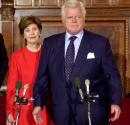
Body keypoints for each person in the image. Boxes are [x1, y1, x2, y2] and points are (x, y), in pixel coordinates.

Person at [33, 0, 122, 125]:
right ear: (63, 20)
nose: (74, 20)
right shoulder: (50, 44)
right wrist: (38, 104)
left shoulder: (100, 43)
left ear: (84, 19)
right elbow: (42, 78)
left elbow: (112, 76)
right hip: (61, 112)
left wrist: (116, 102)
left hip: (91, 112)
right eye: (70, 17)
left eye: (78, 17)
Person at [6, 16, 54, 125]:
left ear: (40, 31)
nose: (31, 33)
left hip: (44, 106)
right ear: (23, 35)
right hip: (23, 107)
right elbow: (12, 85)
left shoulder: (49, 54)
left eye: (34, 29)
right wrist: (10, 110)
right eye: (27, 30)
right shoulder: (16, 56)